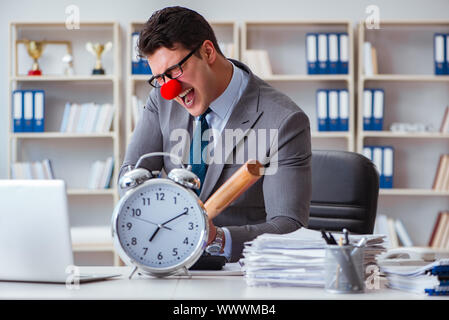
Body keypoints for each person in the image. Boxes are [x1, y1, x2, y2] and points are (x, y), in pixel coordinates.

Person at [119, 6, 311, 262]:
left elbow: (289, 227)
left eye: (174, 71)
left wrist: (219, 238)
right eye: (159, 79)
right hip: (169, 262)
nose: (170, 90)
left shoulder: (284, 121)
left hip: (239, 277)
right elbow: (130, 176)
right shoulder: (161, 100)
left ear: (207, 52)